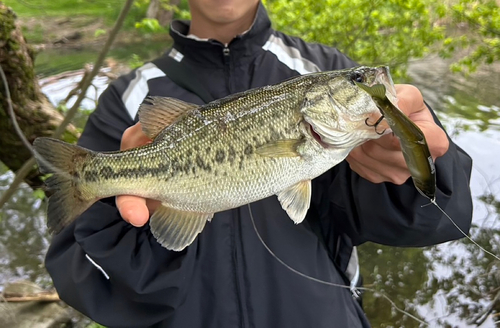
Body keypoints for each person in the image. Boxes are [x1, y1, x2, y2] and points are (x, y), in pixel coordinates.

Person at [44, 1, 473, 327]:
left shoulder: (324, 69)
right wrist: (136, 228)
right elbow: (77, 265)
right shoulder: (126, 97)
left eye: (358, 83)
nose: (364, 83)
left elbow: (439, 223)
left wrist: (414, 169)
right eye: (357, 83)